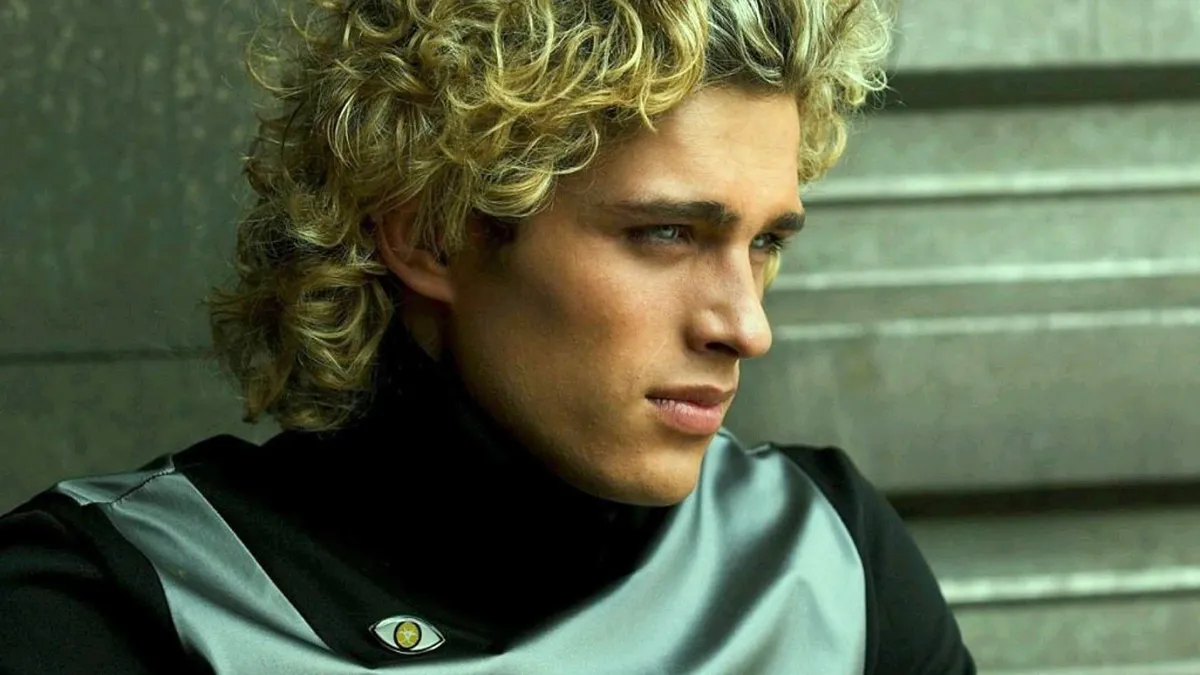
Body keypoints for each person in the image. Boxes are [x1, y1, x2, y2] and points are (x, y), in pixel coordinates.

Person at [0, 0, 976, 672]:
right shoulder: (119, 607)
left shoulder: (822, 558)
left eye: (764, 243)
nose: (746, 326)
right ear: (431, 233)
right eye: (667, 234)